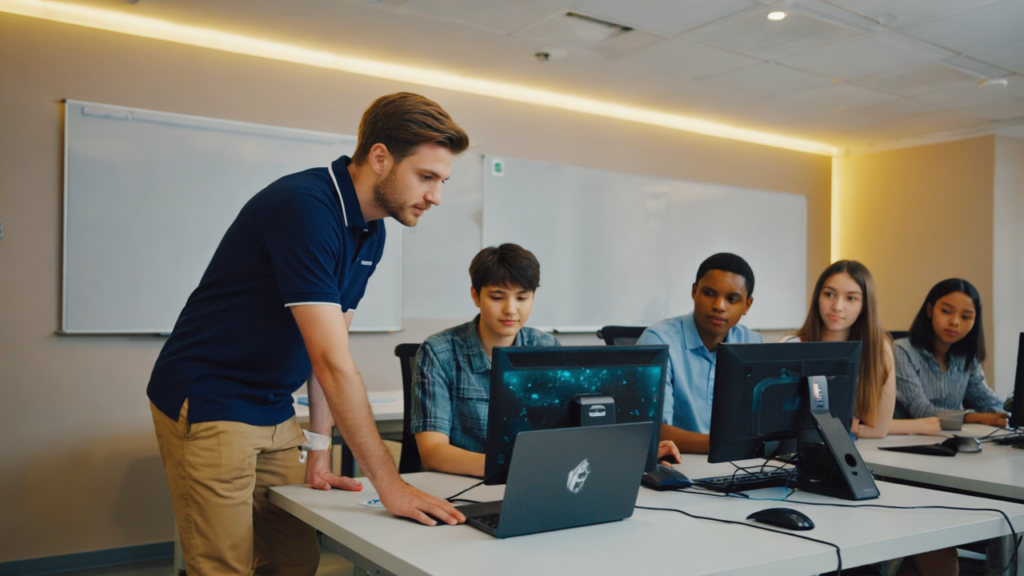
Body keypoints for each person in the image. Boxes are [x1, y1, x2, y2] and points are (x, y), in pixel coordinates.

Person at [147, 92, 470, 576]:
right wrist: (391, 484)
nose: (436, 197)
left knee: (294, 558)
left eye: (442, 181)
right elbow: (332, 363)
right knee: (224, 565)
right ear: (380, 157)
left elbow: (330, 348)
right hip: (212, 396)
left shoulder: (372, 230)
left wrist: (320, 449)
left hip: (275, 405)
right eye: (426, 177)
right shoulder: (303, 207)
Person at [411, 244, 681, 477]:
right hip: (460, 489)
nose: (511, 309)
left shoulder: (546, 348)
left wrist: (635, 450)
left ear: (533, 296)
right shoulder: (439, 352)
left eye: (522, 297)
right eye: (497, 297)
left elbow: (571, 435)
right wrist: (517, 466)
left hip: (536, 482)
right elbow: (433, 452)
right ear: (475, 295)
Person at [783, 260, 941, 437]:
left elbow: (879, 428)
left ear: (865, 305)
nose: (837, 306)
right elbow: (778, 421)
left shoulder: (878, 349)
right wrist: (850, 424)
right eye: (829, 294)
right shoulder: (791, 345)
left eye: (851, 298)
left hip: (856, 452)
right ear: (817, 296)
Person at [637, 253, 762, 454]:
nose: (719, 306)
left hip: (737, 464)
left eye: (732, 299)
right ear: (694, 291)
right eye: (710, 293)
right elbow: (650, 429)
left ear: (747, 304)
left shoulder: (752, 344)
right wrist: (727, 445)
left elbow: (760, 423)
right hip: (677, 463)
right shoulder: (658, 341)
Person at [895, 278, 1007, 429]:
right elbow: (921, 410)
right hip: (904, 442)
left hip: (950, 440)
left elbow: (988, 402)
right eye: (946, 311)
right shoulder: (902, 351)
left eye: (966, 317)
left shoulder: (966, 357)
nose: (955, 322)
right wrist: (975, 417)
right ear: (929, 310)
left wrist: (1006, 413)